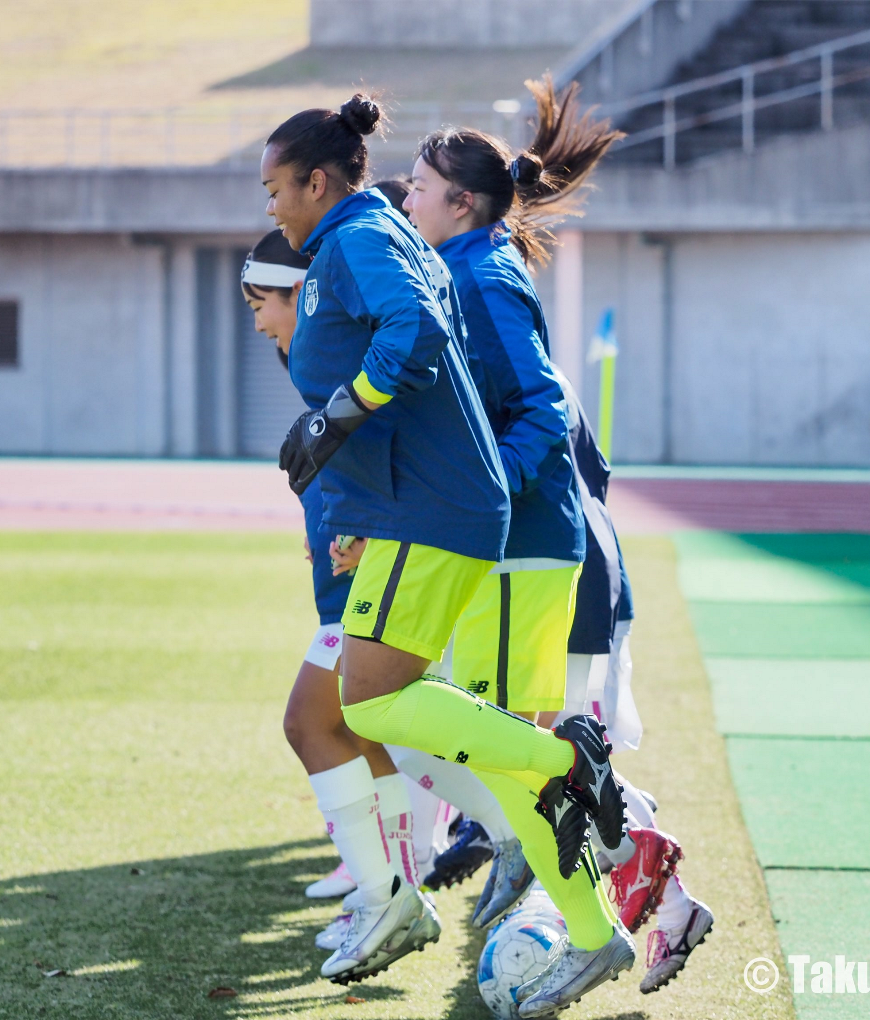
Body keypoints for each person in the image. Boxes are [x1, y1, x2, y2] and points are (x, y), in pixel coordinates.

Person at [263, 93, 631, 1007]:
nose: (269, 205)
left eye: (274, 187)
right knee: (412, 726)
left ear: (317, 181)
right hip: (430, 516)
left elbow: (449, 357)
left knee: (388, 711)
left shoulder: (378, 245)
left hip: (468, 527)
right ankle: (589, 925)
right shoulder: (390, 244)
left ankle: (581, 791)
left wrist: (338, 410)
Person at [400, 76, 626, 957]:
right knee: (494, 737)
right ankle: (561, 875)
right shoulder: (464, 264)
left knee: (485, 736)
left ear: (460, 201)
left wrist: (488, 496)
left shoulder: (483, 277)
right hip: (516, 546)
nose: (406, 197)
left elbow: (538, 407)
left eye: (417, 186)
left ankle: (580, 875)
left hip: (519, 544)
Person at [239, 229, 425, 954]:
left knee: (315, 725)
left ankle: (392, 894)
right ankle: (393, 887)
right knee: (365, 732)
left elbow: (388, 449)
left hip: (374, 587)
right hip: (350, 588)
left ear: (302, 296)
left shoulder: (347, 368)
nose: (257, 322)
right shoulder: (317, 374)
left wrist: (362, 526)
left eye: (263, 303)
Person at [551, 370, 716, 994]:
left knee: (554, 761)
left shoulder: (481, 294)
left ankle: (648, 890)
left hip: (565, 580)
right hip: (580, 569)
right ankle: (669, 904)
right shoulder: (488, 305)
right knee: (564, 763)